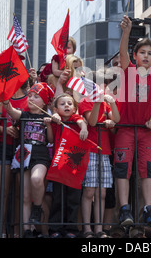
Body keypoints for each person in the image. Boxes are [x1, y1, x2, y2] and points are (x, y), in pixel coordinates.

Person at [114, 15, 151, 227]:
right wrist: (126, 32)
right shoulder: (128, 70)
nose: (145, 56)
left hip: (146, 130)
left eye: (150, 53)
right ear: (135, 56)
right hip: (126, 128)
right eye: (142, 53)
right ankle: (124, 209)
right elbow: (121, 53)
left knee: (148, 169)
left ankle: (148, 209)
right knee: (123, 168)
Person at [2, 82, 55, 238]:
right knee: (25, 196)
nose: (31, 98)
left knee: (37, 179)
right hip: (24, 155)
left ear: (44, 101)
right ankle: (26, 230)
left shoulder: (48, 116)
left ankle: (37, 208)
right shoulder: (24, 114)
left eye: (36, 96)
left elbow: (50, 139)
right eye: (30, 95)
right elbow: (11, 111)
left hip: (41, 154)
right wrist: (6, 102)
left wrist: (50, 124)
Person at [78, 71, 120, 238]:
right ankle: (87, 229)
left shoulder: (106, 103)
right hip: (90, 149)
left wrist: (113, 105)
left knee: (101, 192)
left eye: (106, 84)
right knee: (89, 191)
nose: (105, 87)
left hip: (105, 151)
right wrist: (97, 102)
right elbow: (93, 122)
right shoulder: (84, 101)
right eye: (102, 84)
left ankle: (99, 229)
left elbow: (116, 119)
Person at [46, 93, 88, 238]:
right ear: (56, 109)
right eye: (62, 104)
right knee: (58, 198)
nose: (66, 106)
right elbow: (50, 139)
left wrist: (84, 129)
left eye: (69, 104)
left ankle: (71, 229)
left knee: (73, 199)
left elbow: (81, 120)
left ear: (74, 108)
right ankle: (55, 229)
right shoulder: (54, 120)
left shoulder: (74, 118)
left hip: (74, 166)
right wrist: (50, 124)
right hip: (59, 165)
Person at [0, 80, 29, 238]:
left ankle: (17, 231)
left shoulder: (30, 99)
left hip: (24, 149)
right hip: (3, 147)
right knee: (2, 192)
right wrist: (4, 129)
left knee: (20, 192)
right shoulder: (1, 99)